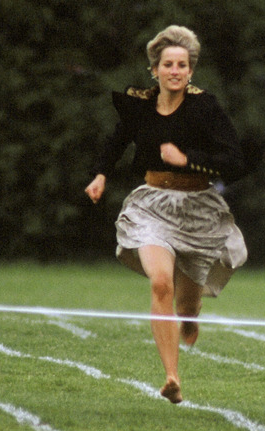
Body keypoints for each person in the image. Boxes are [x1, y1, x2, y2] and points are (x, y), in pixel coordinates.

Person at [84, 25, 248, 404]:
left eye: (182, 65)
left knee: (187, 302)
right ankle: (171, 377)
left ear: (191, 72)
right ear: (154, 70)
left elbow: (234, 161)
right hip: (152, 205)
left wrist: (188, 160)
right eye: (167, 64)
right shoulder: (140, 105)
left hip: (198, 210)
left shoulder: (206, 107)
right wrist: (100, 173)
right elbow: (116, 140)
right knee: (161, 284)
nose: (174, 71)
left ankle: (190, 314)